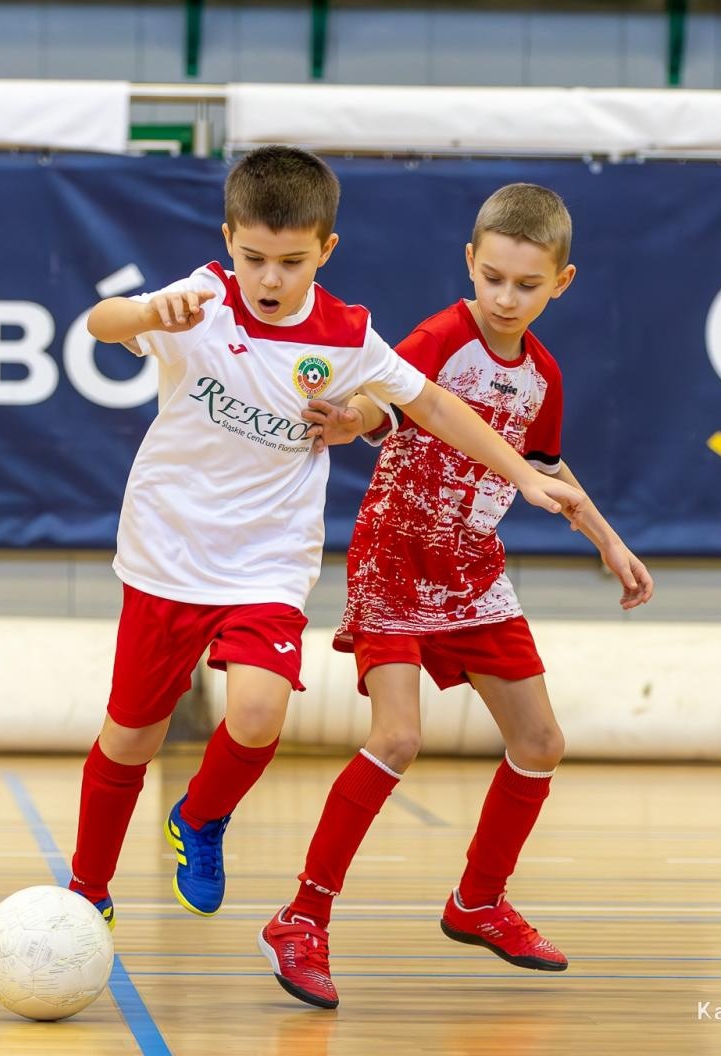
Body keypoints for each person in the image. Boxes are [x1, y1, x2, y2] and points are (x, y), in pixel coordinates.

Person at [65, 148, 586, 931]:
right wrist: (142, 314)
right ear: (228, 240)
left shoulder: (348, 336)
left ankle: (200, 818)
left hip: (269, 565)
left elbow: (437, 408)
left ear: (326, 251)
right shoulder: (200, 299)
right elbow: (100, 325)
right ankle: (87, 889)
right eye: (254, 259)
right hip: (167, 556)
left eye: (292, 262)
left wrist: (526, 472)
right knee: (130, 737)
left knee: (258, 714)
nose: (270, 280)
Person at [260, 183, 654, 1009]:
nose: (507, 299)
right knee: (397, 737)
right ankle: (302, 918)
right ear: (470, 263)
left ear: (562, 283)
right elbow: (387, 394)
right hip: (394, 561)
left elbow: (546, 469)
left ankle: (478, 901)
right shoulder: (444, 336)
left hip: (473, 568)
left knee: (541, 742)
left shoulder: (542, 373)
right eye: (495, 278)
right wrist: (353, 417)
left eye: (528, 285)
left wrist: (609, 541)